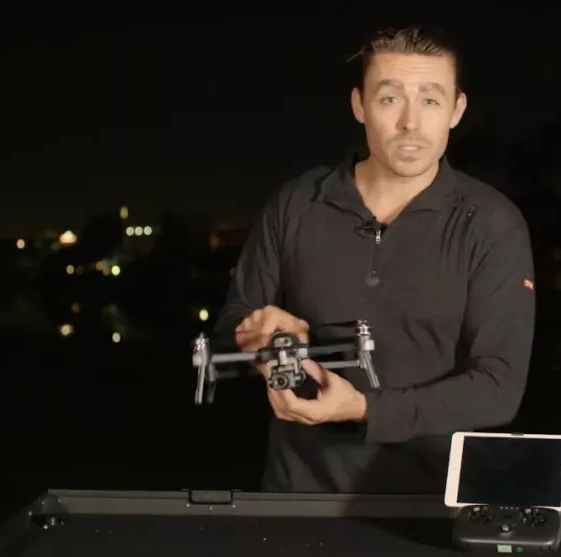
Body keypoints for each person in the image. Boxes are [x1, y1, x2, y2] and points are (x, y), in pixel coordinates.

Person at [212, 24, 536, 494]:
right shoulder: (296, 203)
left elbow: (498, 389)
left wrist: (365, 409)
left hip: (431, 504)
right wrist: (259, 337)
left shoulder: (491, 224)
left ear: (456, 110)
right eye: (389, 98)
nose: (410, 122)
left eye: (430, 99)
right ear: (359, 104)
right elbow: (233, 324)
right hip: (298, 494)